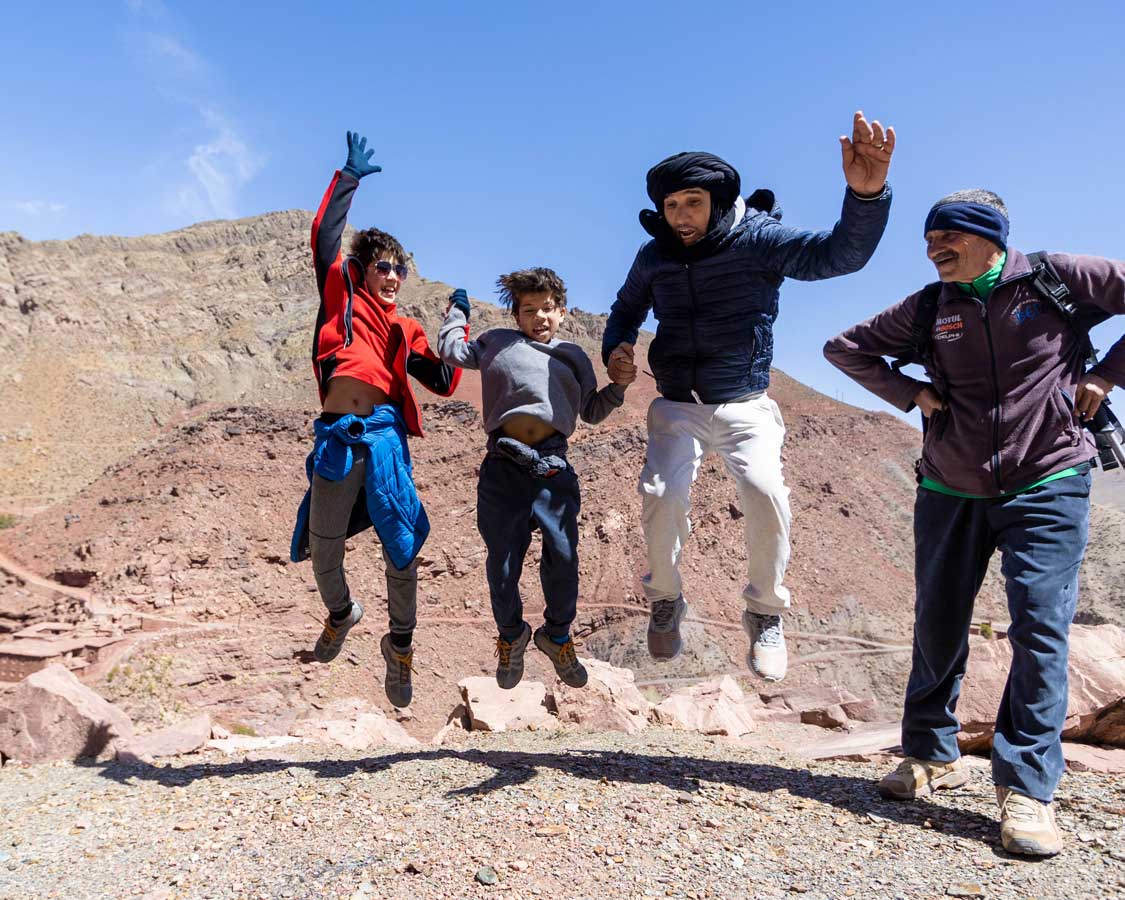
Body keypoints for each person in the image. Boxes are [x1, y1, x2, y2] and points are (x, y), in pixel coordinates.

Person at [823, 189, 1125, 856]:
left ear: (987, 238)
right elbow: (844, 348)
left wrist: (1105, 375)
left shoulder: (1058, 278)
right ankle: (929, 754)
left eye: (947, 237)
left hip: (1047, 477)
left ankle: (1025, 791)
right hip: (948, 485)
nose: (933, 248)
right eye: (928, 239)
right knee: (937, 620)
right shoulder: (931, 307)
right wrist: (910, 392)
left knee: (1040, 630)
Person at [602, 111, 895, 681]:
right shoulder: (654, 256)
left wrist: (866, 196)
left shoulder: (758, 240)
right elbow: (625, 309)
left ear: (716, 199)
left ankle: (764, 613)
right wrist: (616, 347)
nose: (681, 217)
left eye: (692, 203)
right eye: (671, 207)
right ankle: (666, 599)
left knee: (764, 492)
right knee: (660, 496)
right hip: (677, 403)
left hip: (745, 403)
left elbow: (838, 255)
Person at [290, 132, 463, 709]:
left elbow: (440, 381)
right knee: (322, 549)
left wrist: (456, 324)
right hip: (337, 441)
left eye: (400, 270)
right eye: (384, 267)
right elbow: (324, 238)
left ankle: (401, 646)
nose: (392, 277)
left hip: (385, 443)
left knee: (401, 549)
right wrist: (348, 179)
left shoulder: (406, 327)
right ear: (364, 270)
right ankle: (342, 613)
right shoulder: (341, 293)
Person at [438, 267, 635, 689]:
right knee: (503, 565)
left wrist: (617, 386)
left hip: (552, 468)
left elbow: (593, 411)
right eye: (529, 310)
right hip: (503, 468)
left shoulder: (574, 357)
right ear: (516, 314)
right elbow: (452, 350)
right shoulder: (496, 343)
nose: (539, 317)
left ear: (562, 312)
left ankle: (557, 635)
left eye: (548, 308)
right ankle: (512, 637)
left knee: (564, 557)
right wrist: (457, 311)